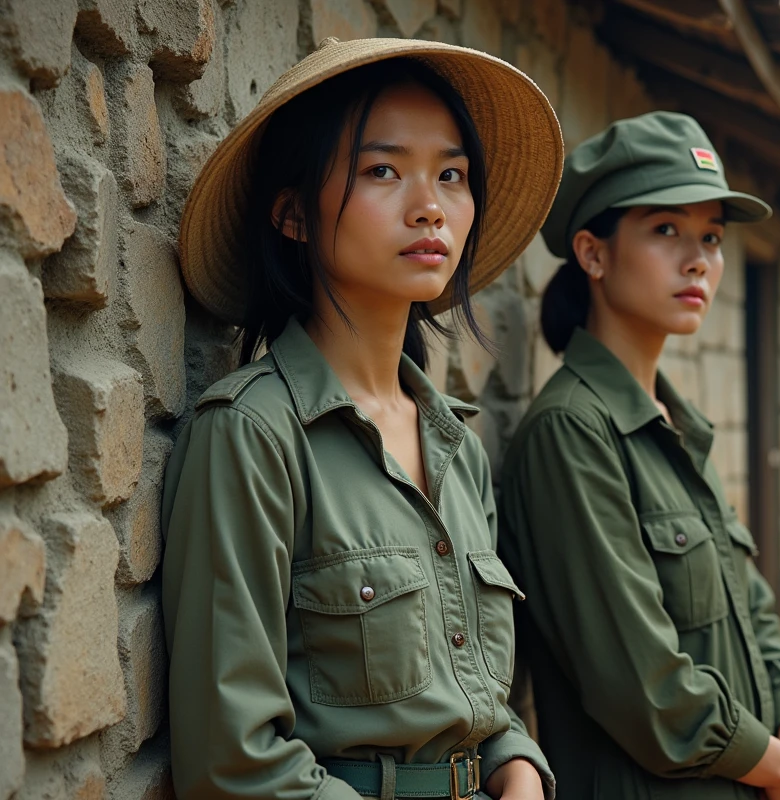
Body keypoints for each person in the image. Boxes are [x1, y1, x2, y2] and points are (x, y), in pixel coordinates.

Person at [160, 37, 563, 800]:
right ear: (293, 215)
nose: (430, 206)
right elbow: (232, 762)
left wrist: (518, 770)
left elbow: (478, 702)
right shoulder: (253, 435)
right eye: (384, 170)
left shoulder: (455, 444)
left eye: (452, 175)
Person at [498, 111, 780, 800]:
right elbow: (639, 684)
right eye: (666, 230)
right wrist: (777, 767)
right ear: (592, 253)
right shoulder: (572, 432)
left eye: (711, 236)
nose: (698, 258)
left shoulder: (674, 424)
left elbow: (750, 603)